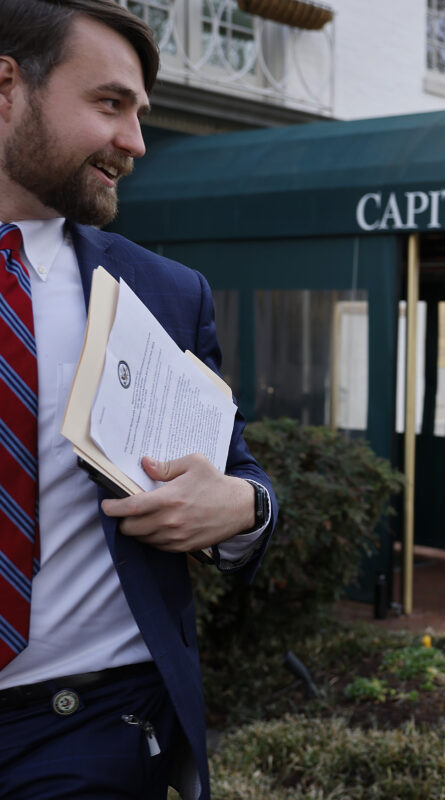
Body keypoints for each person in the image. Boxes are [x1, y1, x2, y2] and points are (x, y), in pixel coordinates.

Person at [0, 3, 276, 799]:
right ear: (8, 86)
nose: (135, 143)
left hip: (98, 727)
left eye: (141, 115)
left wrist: (241, 509)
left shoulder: (162, 292)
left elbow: (241, 476)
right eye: (110, 104)